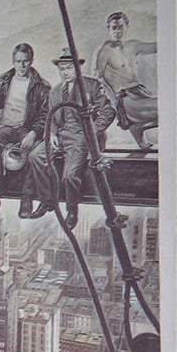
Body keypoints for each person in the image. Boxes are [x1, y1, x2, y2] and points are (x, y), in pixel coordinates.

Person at [24, 50, 115, 226]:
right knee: (36, 156)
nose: (65, 72)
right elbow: (51, 118)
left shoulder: (92, 86)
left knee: (70, 176)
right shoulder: (55, 92)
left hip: (81, 137)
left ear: (77, 68)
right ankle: (47, 200)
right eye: (62, 69)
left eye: (69, 68)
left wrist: (93, 130)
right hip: (61, 135)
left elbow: (108, 111)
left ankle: (72, 211)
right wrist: (51, 134)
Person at [0, 43, 49, 212]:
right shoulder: (0, 82)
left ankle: (26, 197)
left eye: (25, 61)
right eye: (18, 61)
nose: (21, 65)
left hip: (26, 129)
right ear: (13, 61)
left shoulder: (41, 86)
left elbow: (44, 114)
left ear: (31, 61)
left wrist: (33, 133)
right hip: (6, 127)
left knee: (33, 151)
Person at [93, 10, 159, 149]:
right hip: (126, 101)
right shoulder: (105, 50)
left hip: (141, 95)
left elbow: (159, 46)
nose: (118, 32)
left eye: (120, 27)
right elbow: (95, 79)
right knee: (168, 107)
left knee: (171, 107)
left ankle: (138, 128)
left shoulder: (133, 46)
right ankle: (137, 127)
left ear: (127, 27)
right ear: (109, 30)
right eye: (114, 28)